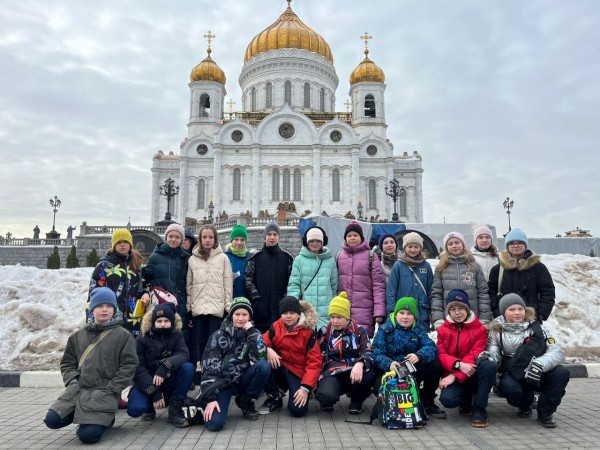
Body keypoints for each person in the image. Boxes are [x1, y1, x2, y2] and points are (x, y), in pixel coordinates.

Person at [43, 288, 138, 444]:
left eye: (109, 305)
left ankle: (104, 420)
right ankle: (89, 417)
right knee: (52, 420)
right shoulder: (78, 336)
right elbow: (67, 363)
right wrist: (72, 381)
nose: (105, 309)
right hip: (79, 389)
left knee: (88, 437)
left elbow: (129, 365)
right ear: (92, 308)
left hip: (104, 392)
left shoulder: (123, 335)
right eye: (100, 305)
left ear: (114, 308)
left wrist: (113, 388)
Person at [482, 293, 569, 428]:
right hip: (516, 371)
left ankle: (545, 412)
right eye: (511, 309)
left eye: (520, 309)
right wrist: (488, 357)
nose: (517, 313)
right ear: (503, 312)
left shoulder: (537, 327)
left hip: (539, 369)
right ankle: (525, 403)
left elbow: (557, 351)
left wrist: (538, 365)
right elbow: (495, 353)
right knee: (507, 386)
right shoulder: (496, 330)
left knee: (561, 373)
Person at [201, 297, 270, 431]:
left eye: (245, 314)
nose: (240, 318)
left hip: (243, 380)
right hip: (223, 383)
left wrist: (252, 333)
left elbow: (260, 358)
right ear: (231, 316)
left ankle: (246, 400)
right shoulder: (218, 336)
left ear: (250, 317)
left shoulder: (253, 334)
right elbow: (209, 367)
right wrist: (211, 398)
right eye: (237, 314)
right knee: (214, 425)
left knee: (264, 366)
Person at [372, 297, 446, 419]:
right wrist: (389, 363)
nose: (405, 317)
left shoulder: (417, 329)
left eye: (409, 314)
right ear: (396, 314)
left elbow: (432, 347)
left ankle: (427, 402)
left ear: (414, 317)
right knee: (377, 388)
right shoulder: (385, 329)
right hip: (390, 370)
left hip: (409, 368)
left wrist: (419, 355)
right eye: (401, 313)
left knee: (435, 365)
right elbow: (376, 353)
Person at [127, 304, 194, 427]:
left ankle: (175, 408)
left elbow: (183, 354)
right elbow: (138, 368)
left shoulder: (177, 335)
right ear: (153, 322)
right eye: (159, 321)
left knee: (188, 368)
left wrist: (166, 366)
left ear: (172, 322)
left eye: (166, 321)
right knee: (134, 409)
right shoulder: (142, 338)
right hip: (147, 381)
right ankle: (148, 407)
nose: (163, 324)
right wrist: (154, 393)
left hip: (168, 378)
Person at [437, 290, 496, 428]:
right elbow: (441, 354)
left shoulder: (480, 329)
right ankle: (465, 400)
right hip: (456, 371)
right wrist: (457, 366)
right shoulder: (442, 330)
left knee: (488, 365)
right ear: (449, 312)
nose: (457, 313)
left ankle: (479, 408)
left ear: (468, 309)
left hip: (473, 372)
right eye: (453, 309)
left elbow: (475, 354)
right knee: (448, 400)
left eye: (461, 308)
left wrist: (454, 375)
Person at [260, 296, 322, 417]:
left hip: (298, 372)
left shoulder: (309, 332)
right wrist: (267, 349)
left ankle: (304, 392)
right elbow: (261, 340)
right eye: (284, 313)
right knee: (262, 365)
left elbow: (314, 363)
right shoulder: (276, 326)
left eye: (292, 313)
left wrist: (305, 388)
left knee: (298, 411)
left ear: (299, 314)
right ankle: (274, 396)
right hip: (280, 366)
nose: (288, 316)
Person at [315, 292, 374, 414]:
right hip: (332, 370)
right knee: (326, 396)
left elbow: (368, 351)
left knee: (369, 374)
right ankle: (327, 398)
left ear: (347, 317)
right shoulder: (325, 331)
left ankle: (356, 401)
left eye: (339, 317)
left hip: (354, 369)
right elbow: (317, 357)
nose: (335, 321)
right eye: (332, 317)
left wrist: (360, 363)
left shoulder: (359, 330)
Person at [187, 224, 233, 367]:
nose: (207, 240)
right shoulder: (192, 259)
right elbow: (189, 285)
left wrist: (228, 306)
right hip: (198, 308)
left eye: (210, 237)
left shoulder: (223, 258)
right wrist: (189, 308)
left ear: (215, 239)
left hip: (216, 308)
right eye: (204, 237)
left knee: (215, 343)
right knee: (199, 343)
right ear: (200, 239)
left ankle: (214, 373)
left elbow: (227, 284)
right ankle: (202, 375)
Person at [88, 228, 148, 337]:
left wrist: (145, 293)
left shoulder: (137, 265)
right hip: (111, 316)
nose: (122, 245)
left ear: (130, 244)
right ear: (114, 245)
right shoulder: (105, 265)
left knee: (131, 350)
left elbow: (143, 285)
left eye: (125, 242)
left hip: (133, 317)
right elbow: (94, 293)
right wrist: (92, 319)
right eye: (119, 242)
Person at [488, 228, 555, 322]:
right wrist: (496, 311)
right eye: (511, 243)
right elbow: (491, 292)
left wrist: (541, 314)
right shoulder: (498, 269)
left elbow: (548, 292)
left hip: (531, 318)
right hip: (505, 318)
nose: (516, 246)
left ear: (525, 244)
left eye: (520, 242)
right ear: (507, 246)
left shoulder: (538, 268)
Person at [430, 231, 492, 330]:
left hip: (472, 319)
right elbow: (436, 295)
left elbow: (483, 293)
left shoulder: (474, 266)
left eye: (457, 242)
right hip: (448, 320)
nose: (454, 246)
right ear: (446, 247)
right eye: (450, 244)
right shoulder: (441, 268)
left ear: (463, 244)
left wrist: (484, 319)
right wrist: (438, 319)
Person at [336, 221, 386, 337]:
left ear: (361, 237)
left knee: (362, 341)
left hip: (365, 309)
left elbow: (378, 285)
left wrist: (379, 310)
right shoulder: (339, 256)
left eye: (355, 235)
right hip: (343, 309)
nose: (352, 238)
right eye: (349, 236)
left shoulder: (371, 256)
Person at [244, 222, 294, 332]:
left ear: (278, 237)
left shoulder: (287, 258)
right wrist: (255, 296)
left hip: (280, 309)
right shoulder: (255, 257)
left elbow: (292, 280)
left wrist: (285, 297)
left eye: (275, 234)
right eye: (269, 234)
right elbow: (248, 278)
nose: (272, 237)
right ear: (265, 236)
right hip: (260, 309)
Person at [287, 226, 338, 329]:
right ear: (307, 242)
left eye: (318, 241)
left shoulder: (330, 261)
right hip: (306, 312)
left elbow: (334, 287)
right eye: (312, 241)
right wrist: (292, 306)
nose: (315, 244)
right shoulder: (299, 260)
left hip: (326, 311)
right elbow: (294, 284)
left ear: (323, 242)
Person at [143, 223, 190, 328]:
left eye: (177, 237)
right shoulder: (155, 257)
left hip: (179, 302)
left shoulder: (186, 258)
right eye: (170, 236)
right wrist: (144, 293)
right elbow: (146, 279)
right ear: (166, 238)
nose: (173, 239)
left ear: (182, 240)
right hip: (159, 301)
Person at [386, 232, 433, 331]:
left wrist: (432, 311)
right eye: (410, 246)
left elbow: (431, 291)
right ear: (404, 248)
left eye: (416, 247)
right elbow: (391, 291)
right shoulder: (398, 266)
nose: (413, 249)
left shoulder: (426, 266)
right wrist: (392, 311)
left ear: (420, 248)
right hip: (403, 313)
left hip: (421, 313)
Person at [224, 224, 251, 299]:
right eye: (236, 239)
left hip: (246, 298)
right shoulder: (225, 257)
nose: (239, 242)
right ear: (232, 240)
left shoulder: (250, 257)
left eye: (242, 240)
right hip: (229, 298)